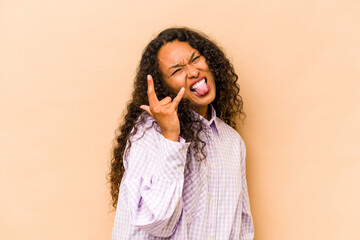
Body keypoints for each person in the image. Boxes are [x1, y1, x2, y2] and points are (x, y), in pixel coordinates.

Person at [109, 27, 254, 239]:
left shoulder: (232, 142)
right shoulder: (147, 133)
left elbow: (240, 226)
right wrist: (170, 135)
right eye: (177, 70)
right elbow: (157, 221)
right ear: (163, 86)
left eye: (196, 59)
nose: (193, 72)